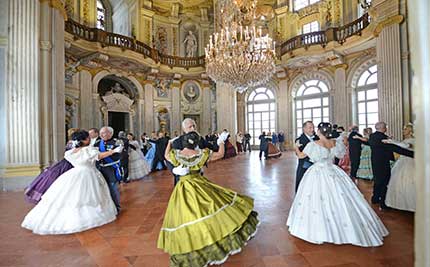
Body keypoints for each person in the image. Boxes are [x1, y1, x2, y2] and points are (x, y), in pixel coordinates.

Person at [157, 131, 259, 266]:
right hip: (200, 184)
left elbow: (165, 155)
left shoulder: (176, 155)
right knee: (210, 210)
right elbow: (221, 154)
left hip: (182, 188)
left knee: (184, 216)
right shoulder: (201, 155)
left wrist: (169, 143)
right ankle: (211, 239)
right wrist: (220, 142)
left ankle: (194, 245)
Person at [287, 122, 389, 247]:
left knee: (317, 198)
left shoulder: (314, 144)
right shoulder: (334, 143)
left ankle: (324, 228)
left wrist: (295, 147)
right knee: (340, 198)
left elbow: (301, 155)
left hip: (318, 172)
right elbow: (340, 155)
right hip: (333, 171)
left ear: (319, 132)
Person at [21, 130, 121, 235]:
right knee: (88, 197)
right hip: (88, 174)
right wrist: (113, 151)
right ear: (86, 140)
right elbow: (99, 156)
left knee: (70, 196)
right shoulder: (88, 150)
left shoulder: (70, 152)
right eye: (88, 138)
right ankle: (85, 219)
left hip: (74, 173)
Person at [24, 128, 79, 204]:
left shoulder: (73, 142)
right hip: (68, 162)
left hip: (70, 162)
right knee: (54, 176)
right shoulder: (72, 142)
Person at [368, 121, 414, 209]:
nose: (386, 128)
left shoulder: (372, 136)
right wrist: (413, 155)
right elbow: (396, 149)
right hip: (383, 163)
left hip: (375, 162)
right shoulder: (383, 138)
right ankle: (383, 203)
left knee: (377, 180)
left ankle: (375, 198)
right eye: (386, 127)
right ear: (383, 128)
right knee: (384, 182)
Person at [385, 124, 415, 212]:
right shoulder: (406, 139)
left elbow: (406, 146)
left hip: (410, 162)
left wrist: (392, 141)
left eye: (405, 129)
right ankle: (400, 203)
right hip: (402, 161)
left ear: (410, 131)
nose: (403, 131)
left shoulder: (413, 140)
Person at [94, 126, 123, 212]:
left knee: (113, 188)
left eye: (104, 133)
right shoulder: (98, 143)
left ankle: (117, 207)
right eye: (101, 133)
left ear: (110, 133)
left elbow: (118, 155)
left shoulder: (117, 142)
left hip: (111, 169)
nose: (102, 135)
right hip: (100, 168)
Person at [294, 121, 318, 192]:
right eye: (310, 128)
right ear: (304, 129)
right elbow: (298, 154)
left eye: (313, 127)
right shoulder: (299, 140)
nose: (312, 129)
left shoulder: (317, 138)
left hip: (317, 167)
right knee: (302, 186)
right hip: (305, 167)